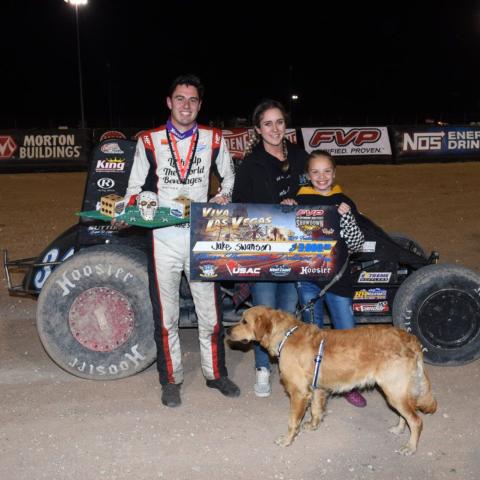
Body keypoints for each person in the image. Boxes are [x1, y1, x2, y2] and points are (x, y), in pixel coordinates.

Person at [122, 74, 240, 407]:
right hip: (164, 238)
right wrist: (135, 207)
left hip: (201, 236)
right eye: (180, 98)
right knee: (167, 316)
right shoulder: (149, 140)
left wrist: (225, 195)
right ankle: (171, 379)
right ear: (169, 102)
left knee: (210, 313)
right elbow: (133, 190)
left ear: (199, 105)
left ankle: (215, 374)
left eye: (192, 100)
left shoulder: (214, 138)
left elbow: (229, 178)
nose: (185, 105)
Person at [232, 99, 308, 397]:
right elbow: (239, 207)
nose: (275, 128)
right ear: (258, 129)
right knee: (263, 315)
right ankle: (262, 369)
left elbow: (317, 190)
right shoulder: (250, 165)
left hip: (297, 249)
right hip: (264, 250)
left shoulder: (302, 156)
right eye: (268, 124)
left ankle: (287, 367)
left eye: (279, 122)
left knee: (287, 312)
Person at [295, 149, 367, 407]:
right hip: (308, 280)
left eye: (327, 171)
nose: (321, 176)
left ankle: (349, 385)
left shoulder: (344, 200)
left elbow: (357, 245)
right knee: (312, 337)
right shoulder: (299, 200)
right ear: (308, 175)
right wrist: (285, 209)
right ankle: (315, 384)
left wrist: (347, 217)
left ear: (334, 173)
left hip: (339, 280)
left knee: (347, 336)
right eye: (315, 172)